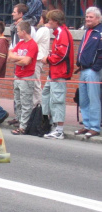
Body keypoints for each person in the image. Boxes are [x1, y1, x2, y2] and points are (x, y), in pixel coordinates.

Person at [41, 10, 74, 140]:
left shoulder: (62, 33)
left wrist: (48, 59)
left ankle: (59, 129)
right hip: (54, 72)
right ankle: (51, 123)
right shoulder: (60, 33)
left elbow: (61, 54)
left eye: (50, 20)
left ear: (55, 21)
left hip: (59, 72)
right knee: (46, 95)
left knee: (57, 100)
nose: (49, 22)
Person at [74, 7, 102, 138]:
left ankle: (95, 127)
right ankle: (87, 125)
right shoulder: (87, 31)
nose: (88, 19)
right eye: (86, 17)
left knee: (94, 99)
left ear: (98, 18)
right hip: (83, 70)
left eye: (91, 17)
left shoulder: (100, 32)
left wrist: (95, 67)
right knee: (83, 100)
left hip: (92, 71)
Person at [8, 21, 38, 135]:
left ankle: (24, 126)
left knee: (26, 102)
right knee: (18, 101)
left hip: (27, 77)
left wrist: (17, 59)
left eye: (19, 31)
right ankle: (20, 122)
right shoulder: (20, 43)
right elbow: (10, 56)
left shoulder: (32, 44)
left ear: (24, 31)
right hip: (18, 76)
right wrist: (19, 59)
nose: (18, 33)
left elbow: (26, 61)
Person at [32, 11, 52, 106]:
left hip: (38, 58)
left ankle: (38, 104)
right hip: (40, 57)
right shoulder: (45, 30)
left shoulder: (43, 29)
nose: (38, 20)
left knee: (36, 83)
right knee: (35, 82)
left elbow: (34, 41)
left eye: (40, 18)